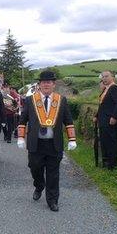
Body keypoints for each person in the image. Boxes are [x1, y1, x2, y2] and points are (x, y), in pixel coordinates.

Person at [17, 70, 76, 212]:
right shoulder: (30, 100)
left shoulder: (61, 100)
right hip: (36, 143)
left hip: (54, 144)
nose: (46, 84)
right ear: (40, 84)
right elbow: (23, 120)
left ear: (54, 84)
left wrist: (72, 139)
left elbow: (68, 120)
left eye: (49, 82)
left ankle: (52, 200)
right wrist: (20, 137)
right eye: (43, 82)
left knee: (53, 174)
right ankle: (39, 185)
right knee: (34, 168)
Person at [94, 70, 117, 170]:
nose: (104, 78)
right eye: (103, 77)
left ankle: (112, 166)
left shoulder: (114, 88)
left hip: (109, 121)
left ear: (113, 77)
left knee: (111, 143)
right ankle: (106, 163)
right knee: (104, 142)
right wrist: (96, 116)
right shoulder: (106, 89)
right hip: (103, 121)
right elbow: (103, 105)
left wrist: (114, 117)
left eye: (107, 76)